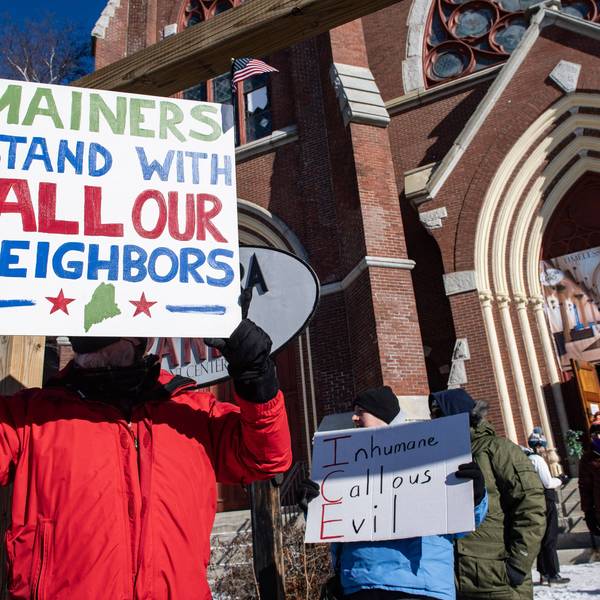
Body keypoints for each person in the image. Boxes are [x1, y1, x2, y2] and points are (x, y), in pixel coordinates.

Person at [0, 320, 291, 599]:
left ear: (139, 339)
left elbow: (267, 456)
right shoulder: (31, 416)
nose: (90, 347)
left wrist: (256, 377)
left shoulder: (193, 413)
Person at [301, 386, 488, 600]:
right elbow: (336, 524)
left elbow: (467, 523)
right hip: (360, 581)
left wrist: (475, 494)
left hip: (420, 583)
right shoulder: (347, 460)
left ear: (382, 414)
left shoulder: (432, 448)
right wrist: (313, 505)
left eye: (361, 411)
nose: (354, 417)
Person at [429, 389, 546, 600]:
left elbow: (531, 506)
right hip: (451, 581)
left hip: (497, 578)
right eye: (432, 415)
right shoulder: (438, 457)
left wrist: (518, 563)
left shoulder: (499, 450)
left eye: (439, 414)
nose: (434, 420)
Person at [524, 427, 570, 585]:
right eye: (543, 446)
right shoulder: (537, 460)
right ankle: (553, 572)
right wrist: (561, 480)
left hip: (535, 501)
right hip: (546, 500)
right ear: (538, 446)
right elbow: (548, 482)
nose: (544, 449)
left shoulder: (526, 458)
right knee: (550, 537)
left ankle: (543, 572)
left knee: (542, 537)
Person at [579, 415, 600, 540]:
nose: (597, 437)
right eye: (594, 434)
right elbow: (585, 487)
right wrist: (588, 511)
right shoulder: (588, 459)